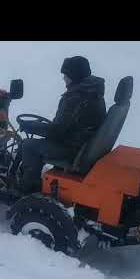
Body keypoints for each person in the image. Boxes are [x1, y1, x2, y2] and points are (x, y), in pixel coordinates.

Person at [18, 56, 107, 193]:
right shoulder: (93, 93)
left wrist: (30, 126)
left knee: (28, 145)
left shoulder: (76, 97)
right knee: (35, 143)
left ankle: (28, 190)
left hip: (71, 148)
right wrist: (40, 126)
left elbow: (57, 131)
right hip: (81, 144)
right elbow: (66, 126)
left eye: (66, 75)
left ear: (74, 76)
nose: (64, 78)